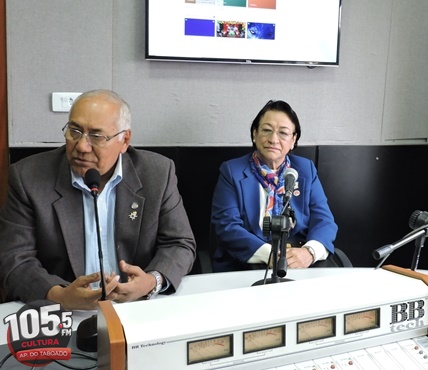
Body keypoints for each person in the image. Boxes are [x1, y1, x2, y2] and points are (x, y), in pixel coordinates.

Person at [0, 89, 196, 310]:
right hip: (61, 313)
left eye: (96, 136)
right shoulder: (29, 177)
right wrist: (60, 296)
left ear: (124, 140)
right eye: (74, 131)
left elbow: (180, 244)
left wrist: (151, 282)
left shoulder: (157, 173)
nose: (82, 146)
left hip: (138, 306)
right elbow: (14, 259)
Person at [211, 100, 339, 272]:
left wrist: (309, 252)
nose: (273, 139)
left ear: (293, 140)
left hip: (299, 264)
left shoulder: (305, 170)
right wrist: (270, 254)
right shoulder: (232, 171)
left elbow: (325, 221)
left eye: (283, 133)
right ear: (254, 134)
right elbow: (227, 226)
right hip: (246, 264)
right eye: (266, 130)